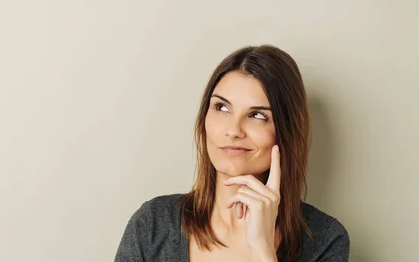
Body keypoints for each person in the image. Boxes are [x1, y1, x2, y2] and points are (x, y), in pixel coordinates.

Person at [114, 45, 350, 262]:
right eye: (222, 107)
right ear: (204, 121)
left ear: (286, 133)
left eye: (258, 115)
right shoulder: (152, 224)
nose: (234, 130)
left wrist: (262, 248)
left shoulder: (325, 240)